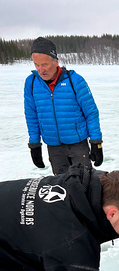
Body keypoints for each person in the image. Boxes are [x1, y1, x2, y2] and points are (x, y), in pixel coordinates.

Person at [24, 37, 103, 175]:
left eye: (45, 64)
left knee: (85, 185)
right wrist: (34, 144)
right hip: (54, 147)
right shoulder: (31, 83)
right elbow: (32, 116)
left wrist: (96, 142)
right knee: (62, 189)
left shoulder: (75, 81)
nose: (41, 70)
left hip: (78, 145)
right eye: (37, 65)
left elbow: (91, 112)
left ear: (56, 61)